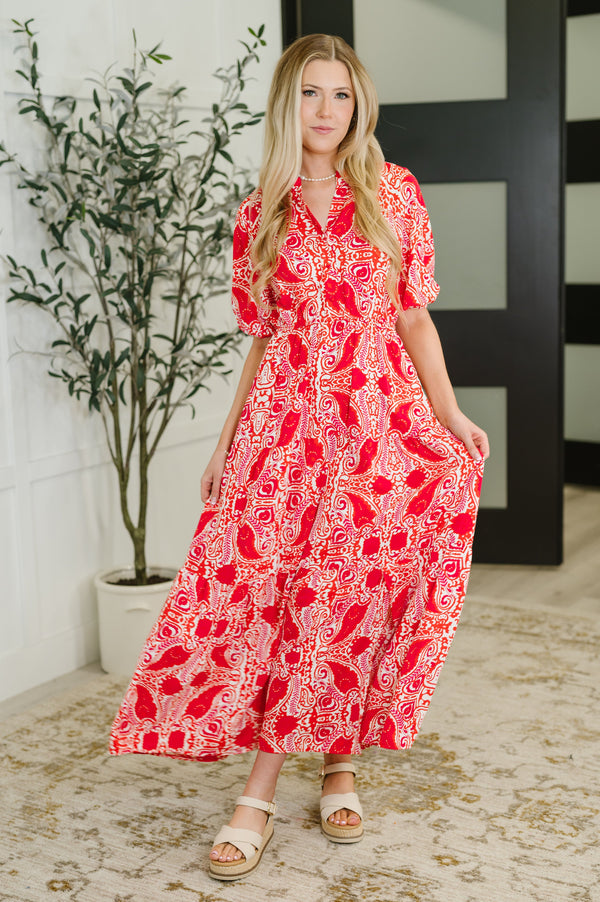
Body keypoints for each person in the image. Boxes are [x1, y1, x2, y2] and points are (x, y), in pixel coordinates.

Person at [109, 33, 489, 881]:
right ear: (289, 104)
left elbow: (412, 316)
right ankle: (274, 783)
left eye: (342, 94)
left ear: (360, 106)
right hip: (284, 433)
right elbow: (263, 340)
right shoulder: (260, 214)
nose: (327, 110)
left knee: (350, 592)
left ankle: (327, 768)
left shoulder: (393, 192)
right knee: (276, 593)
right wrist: (224, 445)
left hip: (376, 427)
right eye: (312, 93)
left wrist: (448, 412)